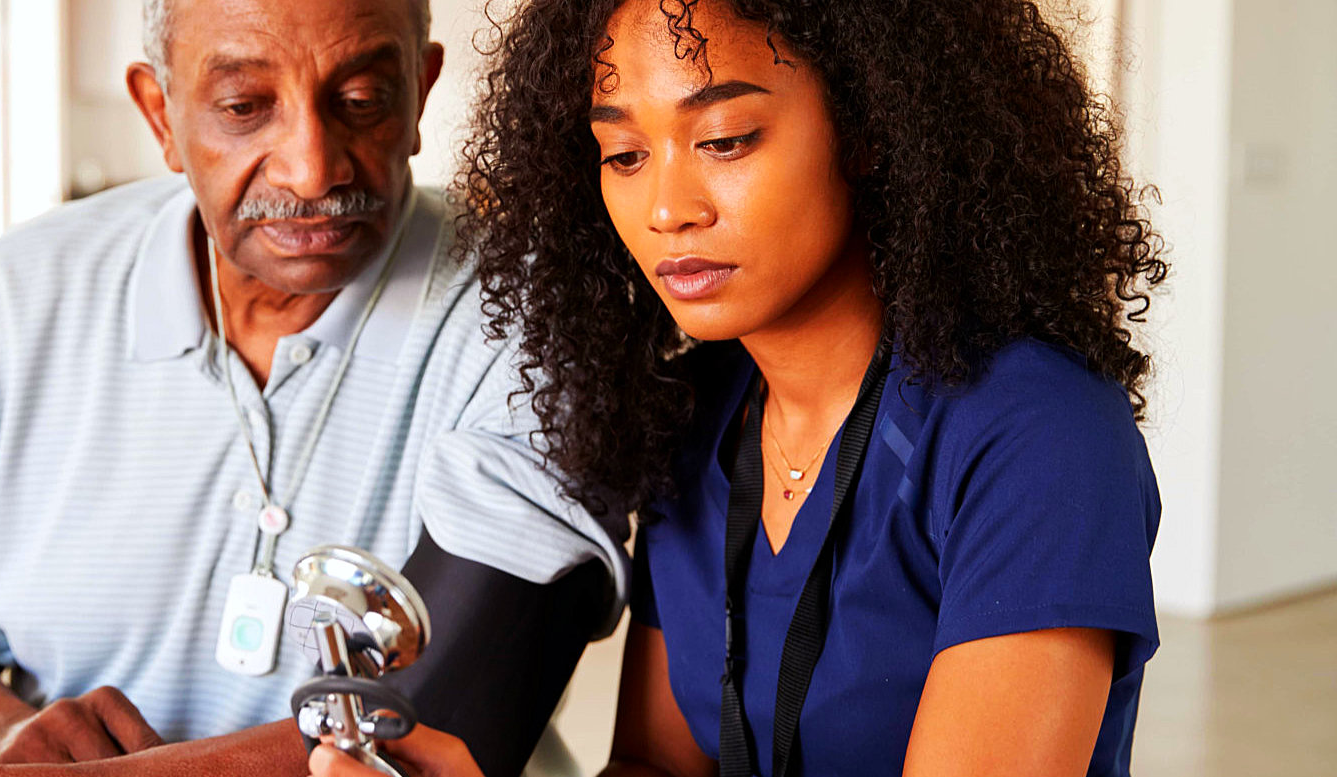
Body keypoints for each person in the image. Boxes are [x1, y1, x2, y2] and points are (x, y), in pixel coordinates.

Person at [0, 0, 625, 776]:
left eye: (361, 98)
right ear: (159, 114)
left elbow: (431, 728)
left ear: (420, 93)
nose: (313, 166)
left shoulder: (537, 312)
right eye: (242, 106)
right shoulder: (23, 293)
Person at [311, 0, 1167, 775]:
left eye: (723, 140)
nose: (667, 208)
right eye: (624, 153)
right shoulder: (697, 414)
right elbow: (658, 767)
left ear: (871, 127)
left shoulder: (1041, 438)